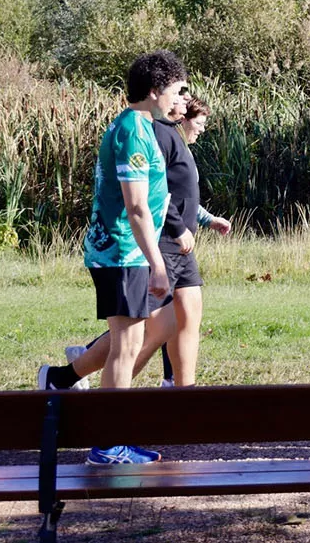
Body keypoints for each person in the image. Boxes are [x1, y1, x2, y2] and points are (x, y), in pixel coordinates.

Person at [36, 51, 186, 466]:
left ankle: (93, 413)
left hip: (128, 252)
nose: (179, 97)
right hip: (124, 252)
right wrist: (156, 261)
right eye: (175, 89)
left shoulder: (137, 126)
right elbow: (136, 207)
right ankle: (106, 445)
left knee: (137, 336)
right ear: (155, 91)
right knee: (127, 345)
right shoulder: (134, 132)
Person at [64, 97, 233, 388]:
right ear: (180, 115)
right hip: (154, 244)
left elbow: (182, 196)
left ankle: (180, 388)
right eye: (179, 94)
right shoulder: (150, 133)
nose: (203, 129)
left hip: (178, 247)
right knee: (141, 333)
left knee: (180, 319)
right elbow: (151, 196)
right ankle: (74, 375)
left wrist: (206, 219)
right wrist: (178, 229)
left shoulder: (175, 141)